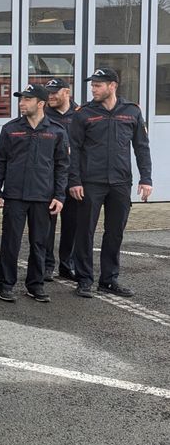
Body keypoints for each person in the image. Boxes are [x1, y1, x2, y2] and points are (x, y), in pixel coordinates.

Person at [69, 68, 152, 299]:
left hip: (121, 182)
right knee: (85, 232)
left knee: (115, 232)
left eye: (98, 85)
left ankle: (109, 280)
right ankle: (84, 279)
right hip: (90, 182)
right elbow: (73, 150)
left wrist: (146, 178)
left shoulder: (132, 111)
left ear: (112, 85)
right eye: (92, 85)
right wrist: (74, 181)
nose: (93, 89)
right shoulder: (83, 113)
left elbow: (141, 147)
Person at [0, 84, 69, 303]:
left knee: (39, 244)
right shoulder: (10, 128)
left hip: (43, 197)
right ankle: (5, 285)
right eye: (21, 99)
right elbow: (1, 161)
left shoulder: (56, 131)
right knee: (10, 242)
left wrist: (59, 196)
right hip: (15, 195)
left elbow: (62, 166)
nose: (21, 103)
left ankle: (35, 285)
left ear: (41, 103)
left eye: (27, 99)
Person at [43, 77, 79, 281]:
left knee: (72, 225)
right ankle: (47, 265)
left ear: (67, 92)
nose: (50, 96)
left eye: (55, 92)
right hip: (50, 178)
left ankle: (67, 265)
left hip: (74, 179)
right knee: (47, 226)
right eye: (48, 93)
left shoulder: (81, 114)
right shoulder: (43, 114)